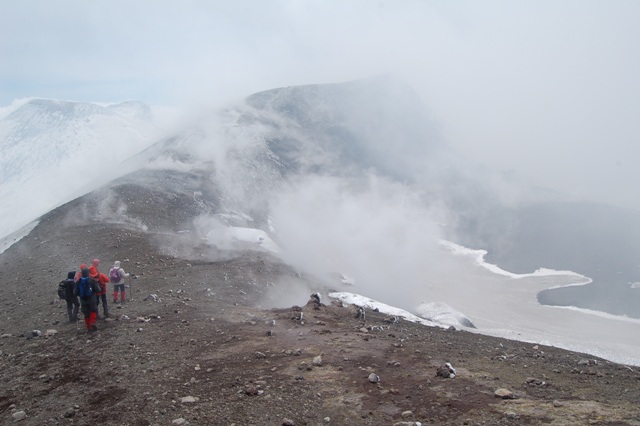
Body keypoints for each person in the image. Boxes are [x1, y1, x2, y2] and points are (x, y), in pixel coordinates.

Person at [74, 267, 101, 332]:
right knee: (93, 310)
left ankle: (89, 327)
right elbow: (98, 290)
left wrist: (81, 295)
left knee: (86, 314)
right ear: (88, 273)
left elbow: (75, 293)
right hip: (92, 299)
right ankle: (92, 323)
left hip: (83, 300)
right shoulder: (92, 280)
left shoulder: (78, 282)